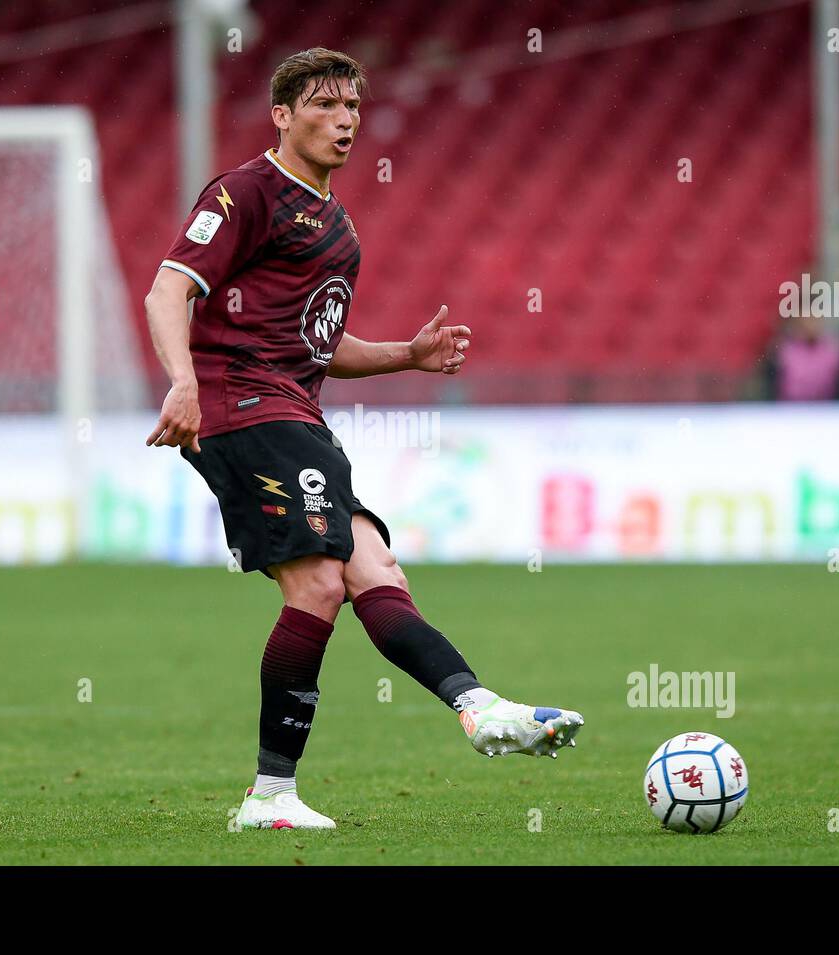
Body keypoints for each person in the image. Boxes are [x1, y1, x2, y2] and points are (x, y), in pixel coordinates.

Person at [143, 48, 583, 830]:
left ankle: (479, 708)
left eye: (352, 105)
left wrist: (405, 355)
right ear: (282, 115)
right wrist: (182, 380)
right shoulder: (246, 192)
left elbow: (321, 344)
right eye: (324, 105)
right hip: (240, 405)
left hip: (295, 412)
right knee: (318, 583)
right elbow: (169, 286)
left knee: (373, 566)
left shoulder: (338, 226)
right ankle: (271, 795)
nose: (345, 119)